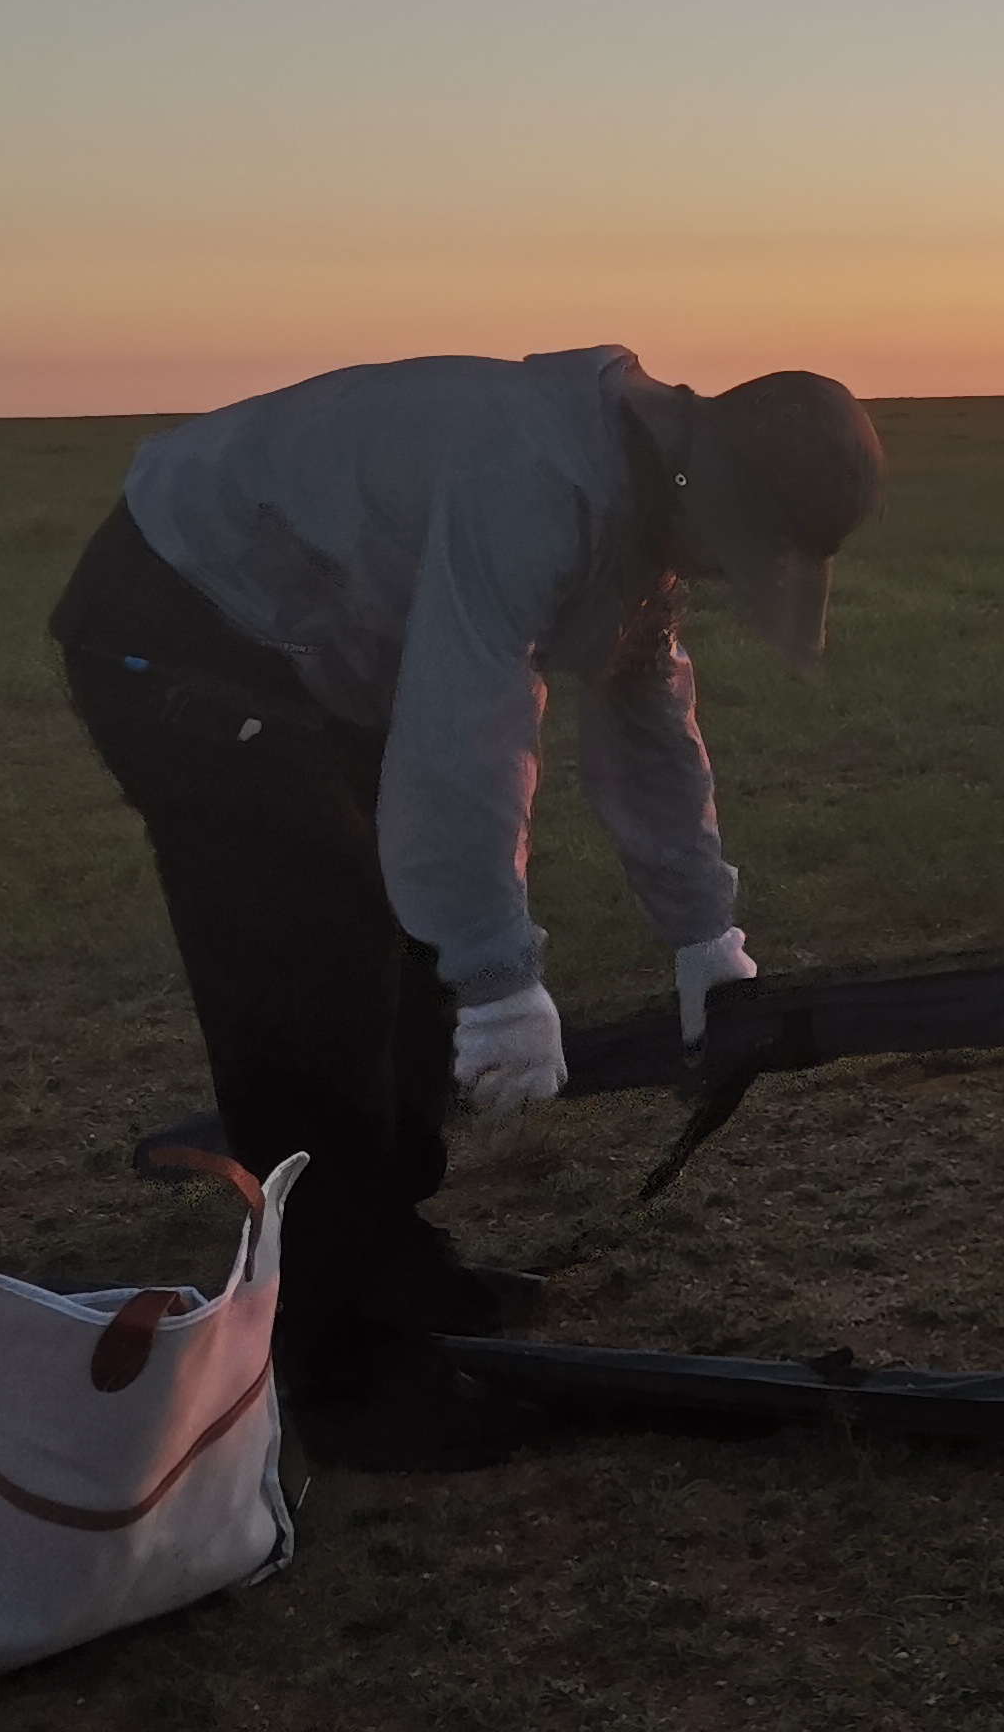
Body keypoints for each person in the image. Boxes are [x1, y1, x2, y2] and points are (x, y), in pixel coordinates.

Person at [48, 346, 883, 1468]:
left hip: (310, 651)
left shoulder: (645, 508)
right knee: (312, 968)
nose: (720, 574)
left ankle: (396, 1263)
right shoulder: (537, 479)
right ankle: (340, 1372)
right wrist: (497, 977)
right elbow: (467, 731)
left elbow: (645, 721)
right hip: (183, 617)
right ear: (699, 488)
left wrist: (704, 935)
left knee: (399, 947)